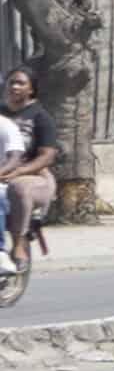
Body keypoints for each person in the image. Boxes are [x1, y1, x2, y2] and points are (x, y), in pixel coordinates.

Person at [0, 63, 55, 274]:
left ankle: (19, 242)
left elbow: (46, 156)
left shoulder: (41, 117)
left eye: (21, 83)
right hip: (3, 169)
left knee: (18, 189)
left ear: (31, 89)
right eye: (12, 82)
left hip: (33, 174)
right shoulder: (1, 113)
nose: (14, 87)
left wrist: (18, 172)